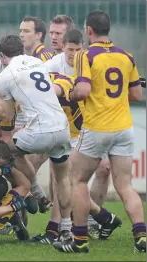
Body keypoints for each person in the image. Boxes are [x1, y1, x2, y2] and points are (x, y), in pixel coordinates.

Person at [53, 10, 146, 253]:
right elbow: (136, 94)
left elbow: (82, 91)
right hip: (124, 128)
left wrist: (72, 93)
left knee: (78, 180)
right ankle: (141, 236)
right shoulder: (127, 56)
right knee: (125, 185)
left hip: (97, 127)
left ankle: (80, 241)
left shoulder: (87, 55)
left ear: (89, 31)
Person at [0, 35, 73, 243]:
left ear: (2, 56)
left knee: (4, 151)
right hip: (62, 127)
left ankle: (34, 193)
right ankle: (66, 230)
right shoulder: (38, 62)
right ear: (22, 49)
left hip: (39, 131)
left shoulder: (4, 78)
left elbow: (7, 116)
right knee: (63, 178)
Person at [45, 29, 112, 239]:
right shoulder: (53, 65)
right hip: (60, 129)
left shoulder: (92, 62)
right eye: (69, 49)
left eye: (77, 49)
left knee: (103, 168)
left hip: (88, 127)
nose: (73, 53)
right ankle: (56, 224)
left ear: (83, 47)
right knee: (57, 172)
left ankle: (93, 221)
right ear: (63, 48)